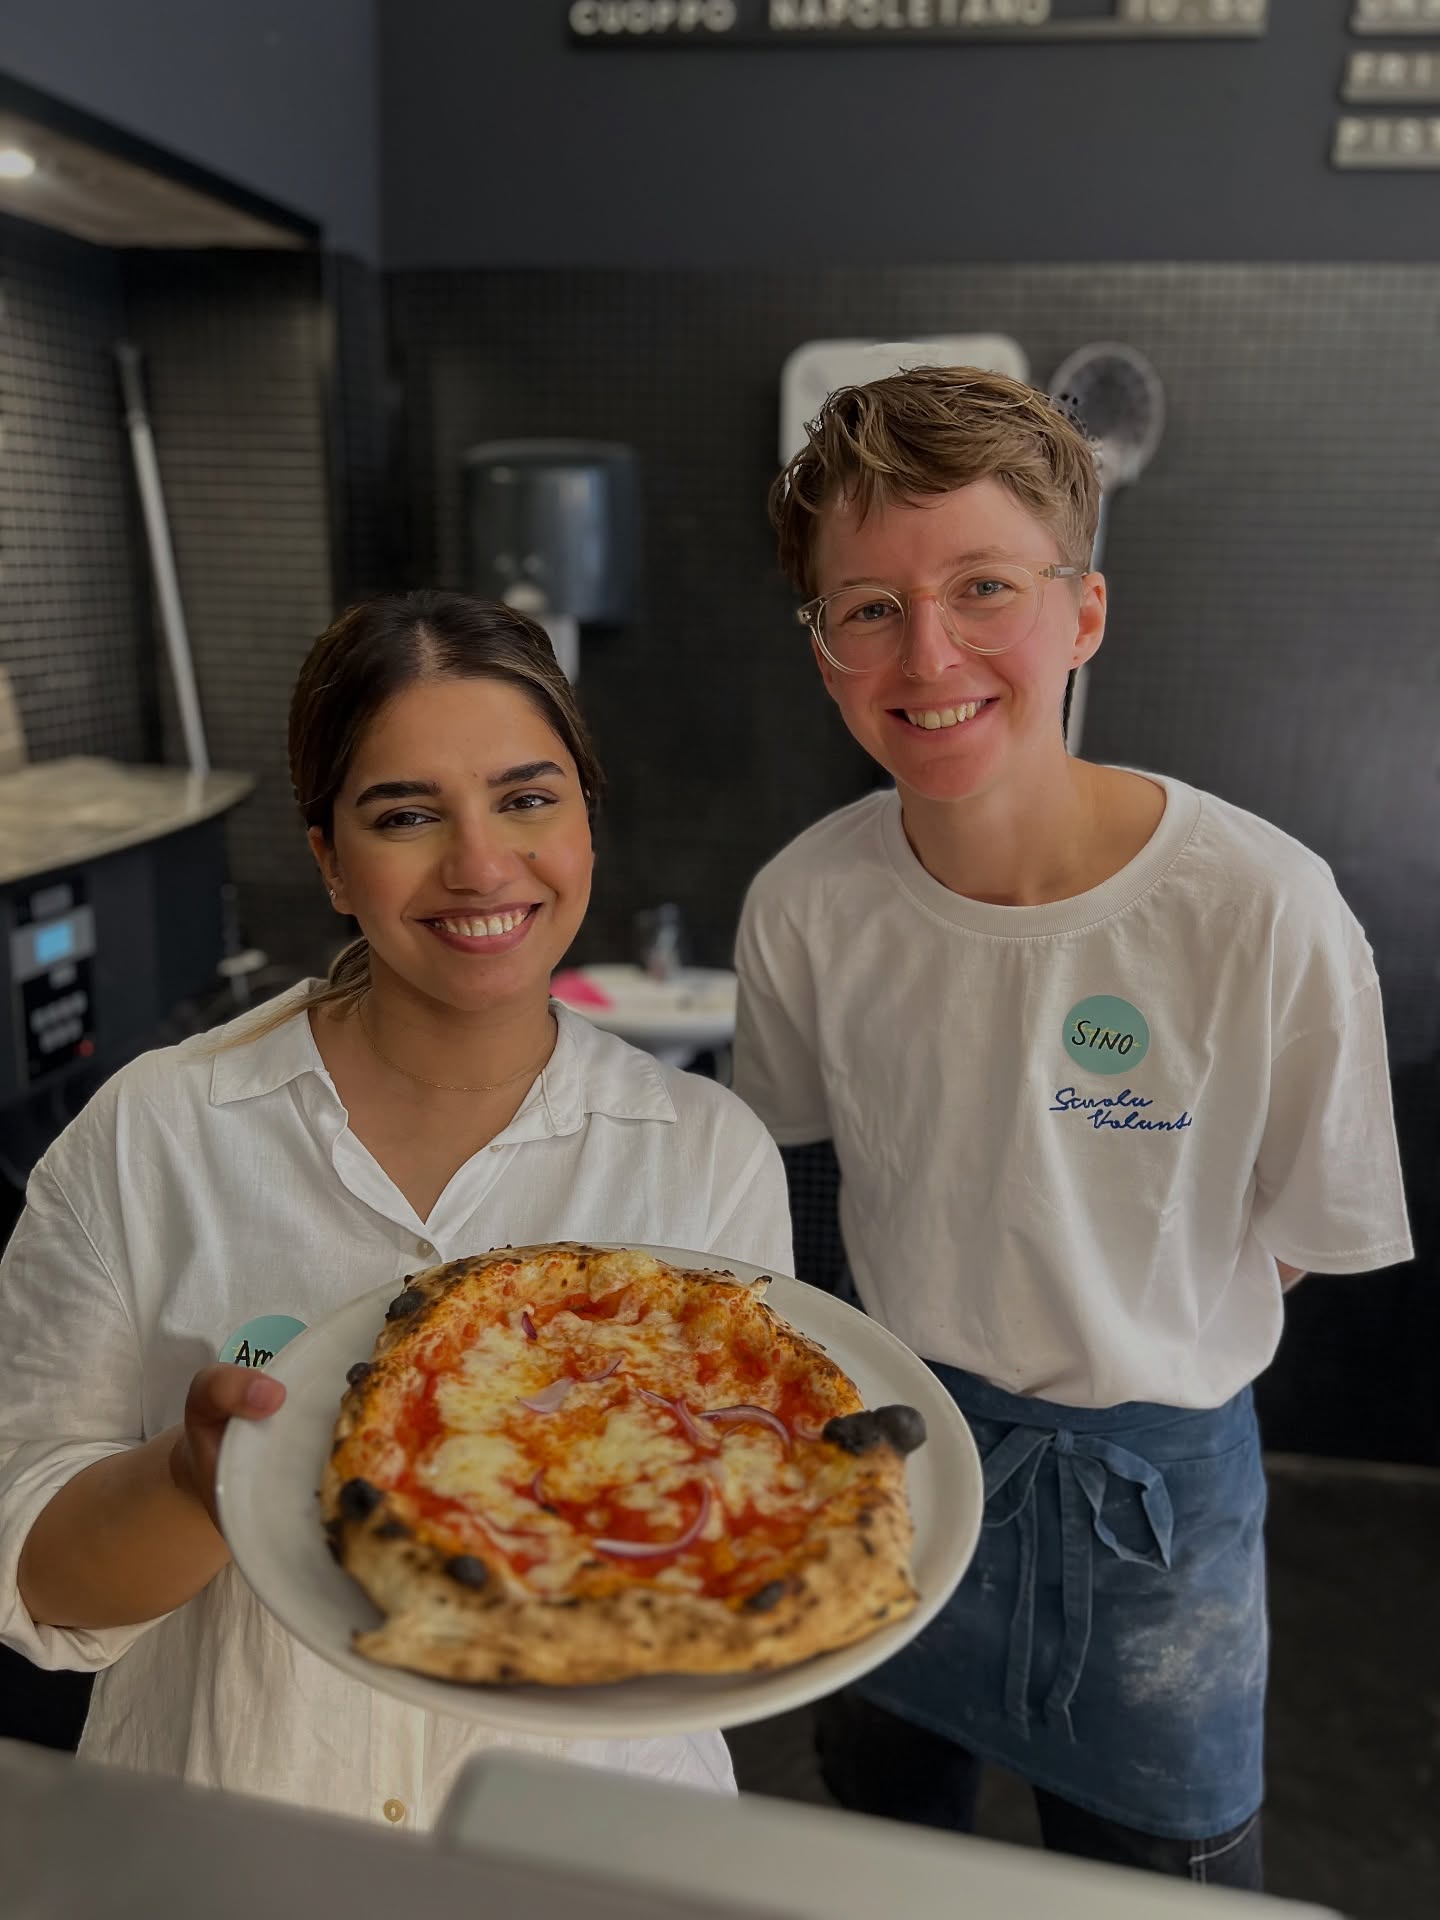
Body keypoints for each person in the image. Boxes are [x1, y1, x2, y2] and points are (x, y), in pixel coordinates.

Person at [732, 367, 1412, 1888]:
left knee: (1159, 1878)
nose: (930, 652)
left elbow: (1300, 1241)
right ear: (826, 653)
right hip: (896, 1468)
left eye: (985, 588)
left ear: (1083, 614)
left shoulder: (1260, 910)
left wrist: (1108, 1320)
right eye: (867, 609)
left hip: (1156, 1526)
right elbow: (807, 1175)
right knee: (893, 1849)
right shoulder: (805, 905)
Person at [0, 590, 791, 1829]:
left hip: (583, 1855)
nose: (480, 864)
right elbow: (40, 1577)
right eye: (405, 814)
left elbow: (736, 1531)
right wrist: (193, 1484)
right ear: (327, 859)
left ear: (588, 819)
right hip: (231, 1846)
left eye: (528, 798)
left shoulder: (706, 1155)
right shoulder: (152, 1134)